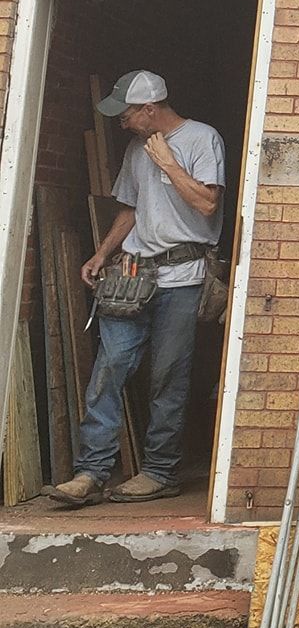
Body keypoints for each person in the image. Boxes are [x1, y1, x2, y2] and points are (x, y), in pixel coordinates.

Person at [45, 72, 225, 508]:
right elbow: (130, 210)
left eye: (125, 114)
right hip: (133, 276)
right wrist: (100, 254)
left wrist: (168, 162)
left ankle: (160, 473)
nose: (121, 122)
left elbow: (207, 203)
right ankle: (90, 474)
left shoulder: (202, 139)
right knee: (109, 369)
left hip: (183, 279)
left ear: (149, 109)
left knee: (168, 377)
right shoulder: (135, 148)